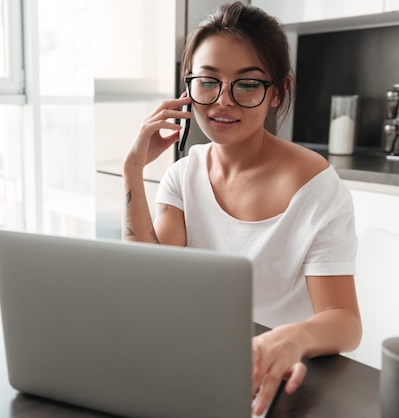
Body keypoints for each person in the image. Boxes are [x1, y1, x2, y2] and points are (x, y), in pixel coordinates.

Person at [122, 2, 362, 415]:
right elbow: (150, 279)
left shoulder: (316, 186)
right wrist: (133, 168)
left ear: (278, 92)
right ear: (188, 88)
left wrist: (291, 338)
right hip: (201, 364)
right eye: (208, 82)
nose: (222, 102)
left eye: (247, 85)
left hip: (282, 376)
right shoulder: (184, 174)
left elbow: (344, 320)